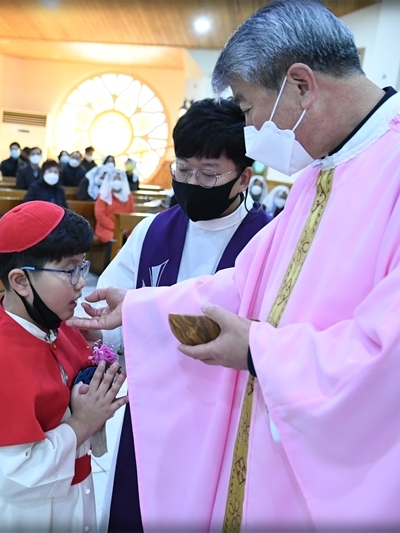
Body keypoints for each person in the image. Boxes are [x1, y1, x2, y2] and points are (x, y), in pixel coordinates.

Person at [68, 0, 400, 530]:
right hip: (274, 449)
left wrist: (259, 350)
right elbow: (252, 283)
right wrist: (139, 307)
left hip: (345, 474)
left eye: (246, 107)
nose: (250, 128)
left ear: (301, 85)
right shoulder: (322, 171)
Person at [93, 98, 271, 531]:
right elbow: (108, 313)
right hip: (152, 407)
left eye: (208, 174)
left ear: (244, 177)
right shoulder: (153, 231)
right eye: (183, 170)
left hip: (226, 413)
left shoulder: (267, 240)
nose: (192, 182)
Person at [0, 201, 128, 532]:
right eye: (70, 270)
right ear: (21, 281)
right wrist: (83, 422)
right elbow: (16, 476)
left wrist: (98, 353)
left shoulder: (56, 323)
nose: (80, 283)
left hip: (67, 499)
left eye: (82, 267)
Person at [93, 168, 134, 245]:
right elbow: (100, 215)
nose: (117, 181)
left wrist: (126, 228)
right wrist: (116, 228)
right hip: (106, 228)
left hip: (125, 229)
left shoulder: (128, 196)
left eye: (119, 179)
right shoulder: (103, 195)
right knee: (114, 240)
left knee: (134, 239)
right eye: (114, 179)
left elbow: (132, 214)